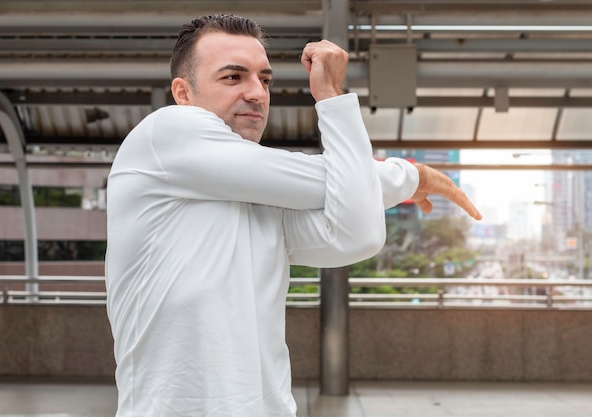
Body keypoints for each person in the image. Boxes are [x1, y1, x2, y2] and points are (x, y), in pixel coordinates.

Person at [105, 14, 481, 417]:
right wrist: (411, 174)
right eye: (233, 77)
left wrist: (337, 104)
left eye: (265, 80)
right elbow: (325, 181)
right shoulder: (164, 133)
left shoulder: (260, 198)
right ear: (183, 92)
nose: (257, 93)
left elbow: (357, 232)